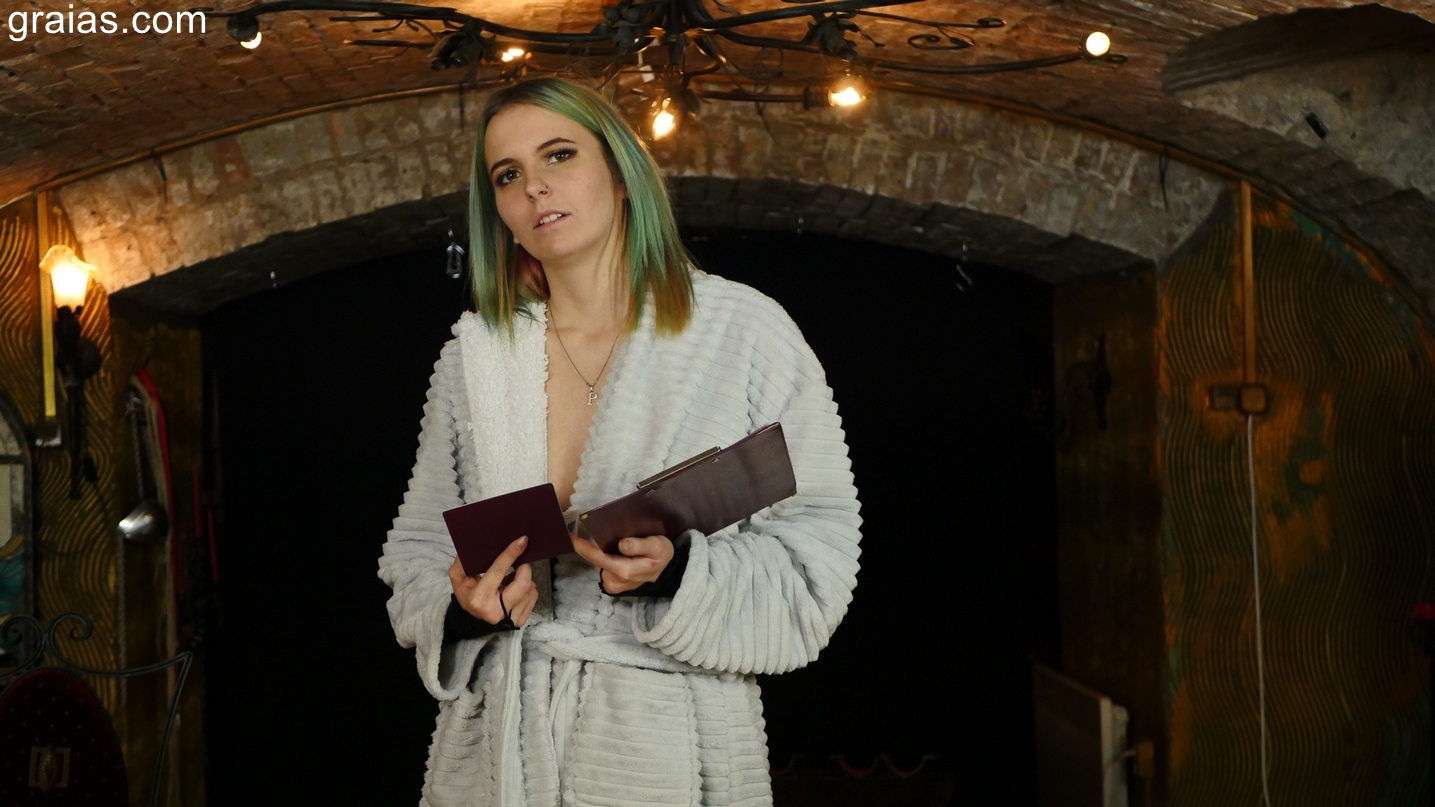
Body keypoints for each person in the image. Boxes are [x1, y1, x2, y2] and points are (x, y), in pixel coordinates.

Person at [377, 76, 862, 807]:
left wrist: (676, 572)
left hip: (667, 749)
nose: (534, 187)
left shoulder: (743, 332)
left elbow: (818, 554)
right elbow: (417, 555)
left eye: (559, 155)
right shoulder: (478, 355)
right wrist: (462, 606)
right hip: (496, 750)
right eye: (507, 175)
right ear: (498, 212)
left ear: (621, 173)